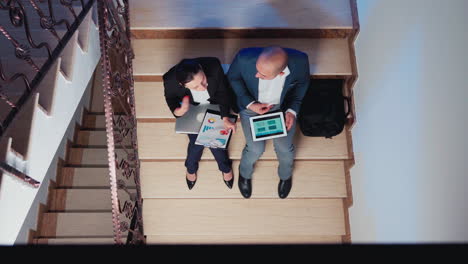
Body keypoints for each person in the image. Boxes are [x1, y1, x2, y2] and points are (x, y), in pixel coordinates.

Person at [227, 46, 310, 199]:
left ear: (281, 73)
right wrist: (250, 103)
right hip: (251, 106)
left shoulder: (301, 61)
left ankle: (285, 176)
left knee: (284, 148)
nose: (257, 75)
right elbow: (233, 78)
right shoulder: (243, 57)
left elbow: (303, 84)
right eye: (257, 70)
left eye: (263, 75)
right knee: (255, 148)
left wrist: (292, 111)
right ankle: (244, 173)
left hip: (282, 107)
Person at [163, 57, 237, 190]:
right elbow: (171, 99)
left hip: (214, 104)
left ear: (201, 69)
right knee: (197, 144)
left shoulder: (214, 65)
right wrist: (179, 111)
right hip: (193, 109)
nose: (203, 87)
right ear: (182, 85)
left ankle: (197, 168)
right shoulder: (169, 80)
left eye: (203, 80)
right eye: (196, 86)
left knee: (215, 144)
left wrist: (225, 117)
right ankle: (213, 167)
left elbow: (222, 92)